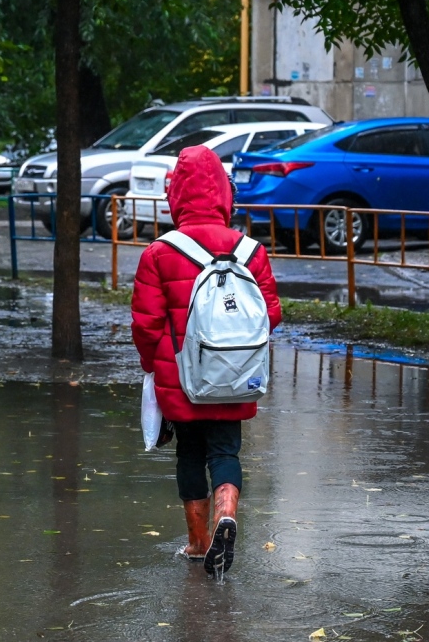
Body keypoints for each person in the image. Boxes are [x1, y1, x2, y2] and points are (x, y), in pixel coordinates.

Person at [131, 145, 282, 575]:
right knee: (226, 449)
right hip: (234, 376)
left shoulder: (159, 253)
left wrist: (152, 366)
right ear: (223, 193)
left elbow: (145, 324)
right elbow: (270, 314)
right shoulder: (252, 251)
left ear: (176, 194)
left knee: (190, 455)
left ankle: (198, 542)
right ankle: (227, 516)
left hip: (180, 377)